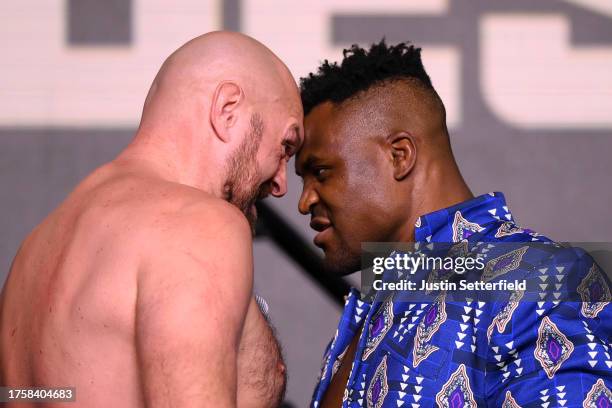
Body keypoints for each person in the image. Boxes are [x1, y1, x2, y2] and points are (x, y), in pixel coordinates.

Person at [296, 40, 611, 407]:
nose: (305, 202)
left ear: (400, 156)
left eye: (320, 172)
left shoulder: (540, 281)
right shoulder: (368, 310)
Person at [0, 31, 303, 407]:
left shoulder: (34, 251)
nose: (281, 184)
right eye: (286, 146)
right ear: (227, 110)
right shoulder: (198, 225)